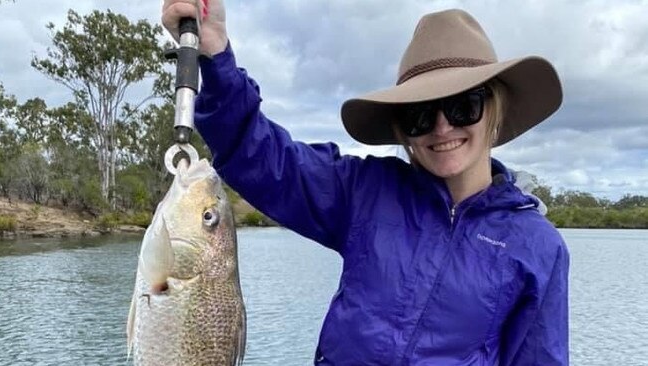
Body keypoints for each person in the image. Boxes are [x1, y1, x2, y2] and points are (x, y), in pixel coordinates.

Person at [162, 2, 569, 365]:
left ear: (494, 110)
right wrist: (215, 53)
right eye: (420, 114)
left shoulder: (537, 246)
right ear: (403, 129)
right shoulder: (365, 191)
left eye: (465, 106)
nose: (443, 126)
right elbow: (262, 157)